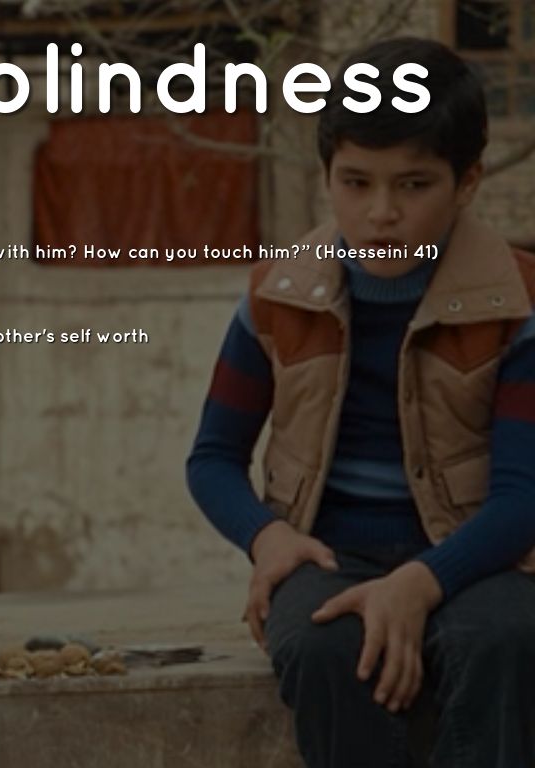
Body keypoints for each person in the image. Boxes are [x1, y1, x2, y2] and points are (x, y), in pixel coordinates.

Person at [187, 37, 535, 767]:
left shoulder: (519, 303)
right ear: (327, 177)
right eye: (356, 182)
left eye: (414, 185)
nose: (381, 212)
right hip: (326, 550)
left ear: (467, 182)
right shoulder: (277, 295)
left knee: (503, 639)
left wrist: (422, 581)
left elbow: (523, 496)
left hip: (478, 551)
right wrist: (268, 538)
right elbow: (213, 458)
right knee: (323, 648)